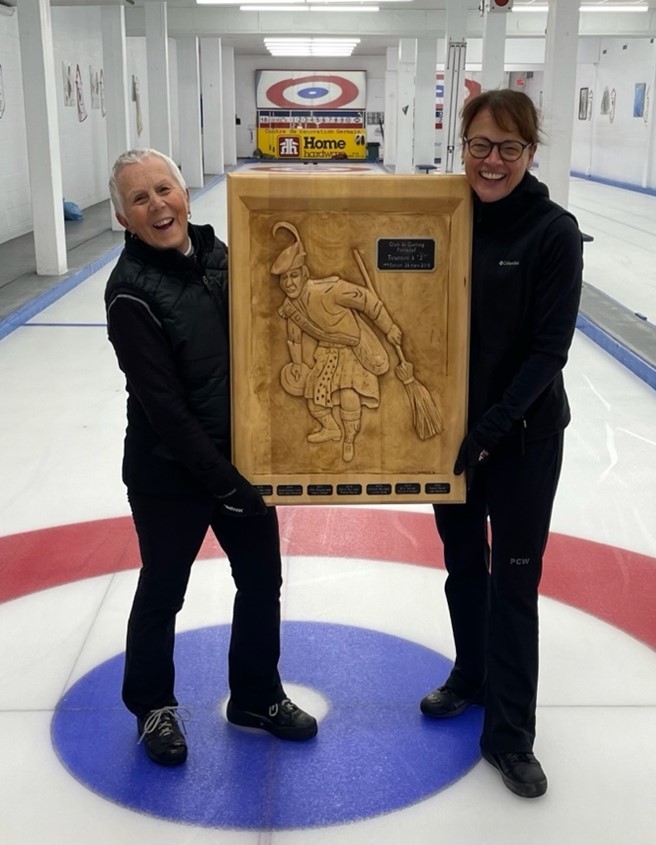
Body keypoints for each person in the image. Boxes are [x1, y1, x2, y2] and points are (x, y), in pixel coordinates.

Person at [105, 148, 317, 766]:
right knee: (163, 589)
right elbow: (165, 410)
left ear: (185, 194)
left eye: (163, 189)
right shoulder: (130, 295)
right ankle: (153, 707)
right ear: (123, 219)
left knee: (261, 582)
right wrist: (225, 482)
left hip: (241, 461)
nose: (157, 205)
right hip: (169, 473)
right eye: (139, 199)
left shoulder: (222, 257)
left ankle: (255, 695)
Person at [419, 90, 583, 798]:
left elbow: (549, 350)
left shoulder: (552, 231)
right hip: (450, 444)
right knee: (463, 568)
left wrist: (489, 430)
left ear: (530, 153)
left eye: (508, 148)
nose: (492, 161)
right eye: (480, 145)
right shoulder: (443, 218)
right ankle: (471, 674)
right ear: (462, 146)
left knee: (513, 583)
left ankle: (511, 734)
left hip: (520, 441)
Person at [272, 221, 403, 462]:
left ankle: (349, 439)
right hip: (326, 351)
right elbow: (294, 336)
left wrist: (390, 328)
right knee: (314, 397)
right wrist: (298, 364)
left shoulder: (330, 290)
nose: (289, 283)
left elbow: (367, 301)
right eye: (284, 279)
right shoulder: (291, 306)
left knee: (348, 394)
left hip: (354, 348)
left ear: (304, 274)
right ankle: (331, 429)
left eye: (293, 275)